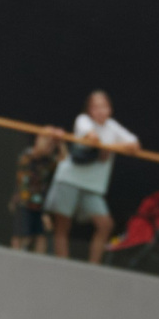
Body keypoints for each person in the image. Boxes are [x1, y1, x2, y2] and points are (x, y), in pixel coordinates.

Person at [42, 90, 140, 264]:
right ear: (89, 110)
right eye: (95, 107)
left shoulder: (112, 126)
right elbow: (93, 138)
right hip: (70, 179)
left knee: (105, 224)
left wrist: (108, 147)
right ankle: (62, 265)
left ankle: (93, 267)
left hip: (93, 186)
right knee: (63, 225)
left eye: (104, 106)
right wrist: (114, 147)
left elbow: (135, 145)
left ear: (110, 109)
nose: (100, 110)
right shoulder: (83, 120)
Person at [9, 129, 61, 252]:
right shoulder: (27, 154)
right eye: (46, 141)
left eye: (51, 144)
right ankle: (15, 257)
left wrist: (60, 143)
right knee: (21, 234)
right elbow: (36, 153)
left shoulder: (50, 161)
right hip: (24, 202)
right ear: (38, 139)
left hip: (41, 205)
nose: (49, 145)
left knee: (41, 235)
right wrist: (47, 138)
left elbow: (65, 162)